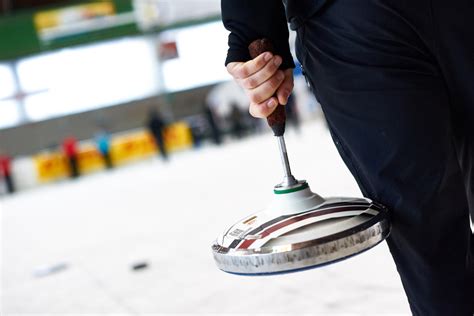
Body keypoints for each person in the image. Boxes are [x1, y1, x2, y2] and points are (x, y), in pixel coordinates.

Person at [221, 1, 473, 315]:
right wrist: (254, 33)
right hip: (351, 23)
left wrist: (252, 27)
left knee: (432, 246)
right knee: (431, 245)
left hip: (353, 25)